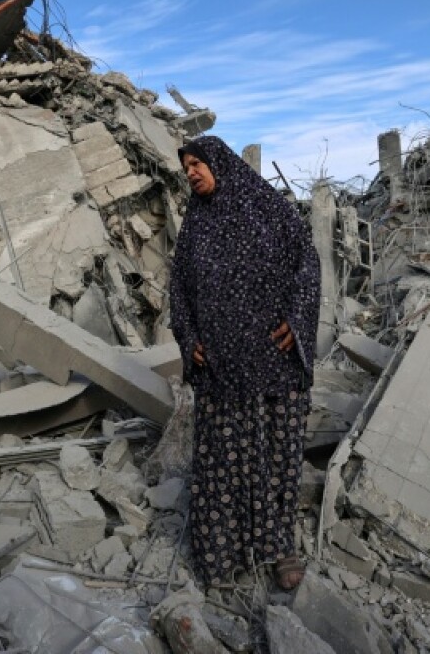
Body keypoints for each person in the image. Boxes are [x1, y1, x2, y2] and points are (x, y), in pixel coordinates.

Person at [168, 136, 320, 590]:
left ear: (221, 164)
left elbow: (307, 263)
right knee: (221, 462)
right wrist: (189, 336)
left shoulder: (269, 208)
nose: (191, 172)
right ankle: (223, 554)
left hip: (273, 362)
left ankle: (278, 548)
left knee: (277, 455)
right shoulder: (194, 225)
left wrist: (298, 317)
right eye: (186, 167)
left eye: (198, 163)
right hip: (222, 367)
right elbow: (178, 287)